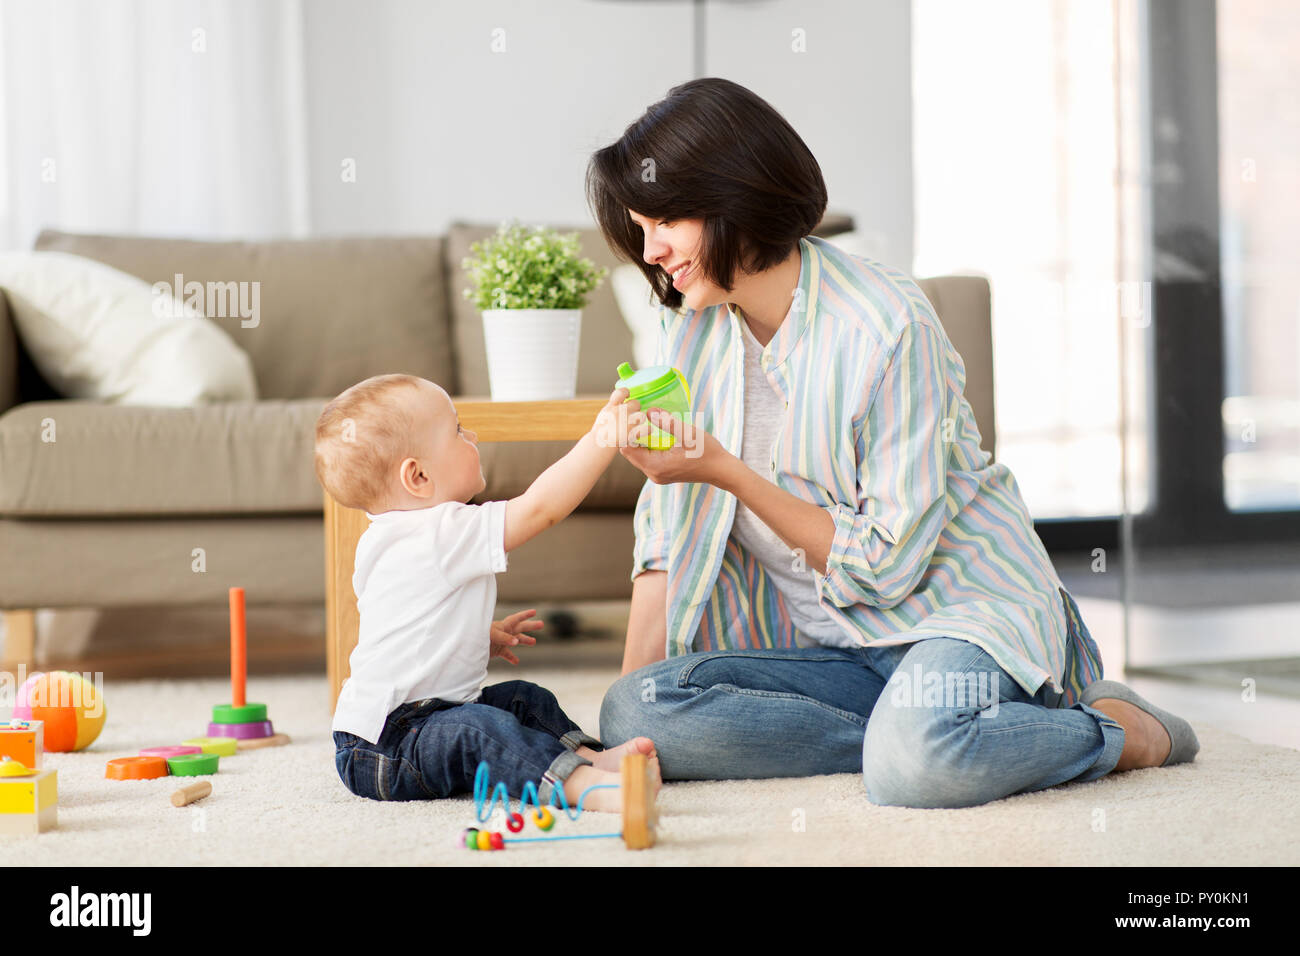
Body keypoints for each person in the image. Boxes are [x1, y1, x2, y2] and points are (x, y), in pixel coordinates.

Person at [589, 77, 1199, 808]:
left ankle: (1118, 732)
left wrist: (724, 471)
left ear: (731, 196)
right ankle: (935, 727)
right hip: (833, 654)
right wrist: (618, 735)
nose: (650, 250)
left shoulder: (886, 324)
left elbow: (888, 564)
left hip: (949, 619)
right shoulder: (688, 326)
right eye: (641, 226)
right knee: (635, 709)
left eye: (665, 222)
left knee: (917, 769)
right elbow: (668, 535)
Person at [315, 373, 659, 811]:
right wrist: (602, 438)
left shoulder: (392, 536)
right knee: (478, 728)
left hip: (402, 726)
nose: (472, 435)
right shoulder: (438, 531)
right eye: (458, 431)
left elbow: (411, 621)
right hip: (388, 747)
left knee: (522, 698)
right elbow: (540, 509)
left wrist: (480, 634)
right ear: (417, 476)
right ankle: (584, 788)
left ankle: (591, 757)